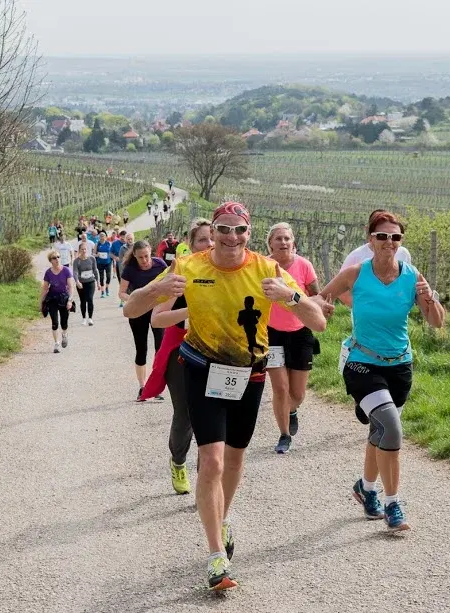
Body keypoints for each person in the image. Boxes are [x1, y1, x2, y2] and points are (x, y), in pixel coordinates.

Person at [122, 202, 326, 591]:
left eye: (240, 230)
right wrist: (158, 288)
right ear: (212, 231)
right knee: (211, 461)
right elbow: (133, 308)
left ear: (250, 233)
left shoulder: (267, 269)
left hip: (249, 374)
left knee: (234, 460)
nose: (232, 237)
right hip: (200, 369)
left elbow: (318, 320)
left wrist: (290, 296)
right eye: (224, 229)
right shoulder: (189, 266)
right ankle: (216, 556)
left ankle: (222, 517)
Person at [319, 210, 445, 531]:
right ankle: (393, 505)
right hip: (362, 362)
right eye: (382, 236)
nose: (389, 242)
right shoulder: (355, 274)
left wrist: (430, 300)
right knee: (391, 427)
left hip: (400, 365)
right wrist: (321, 307)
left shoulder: (412, 276)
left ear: (401, 242)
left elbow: (437, 322)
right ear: (370, 239)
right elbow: (322, 298)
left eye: (395, 237)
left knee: (379, 432)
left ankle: (366, 487)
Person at [142, 218, 213, 496]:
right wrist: (191, 314)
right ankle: (178, 461)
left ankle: (205, 481)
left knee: (211, 417)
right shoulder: (180, 272)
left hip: (217, 351)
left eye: (212, 238)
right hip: (181, 352)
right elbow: (157, 319)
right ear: (191, 244)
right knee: (185, 415)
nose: (208, 244)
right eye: (202, 239)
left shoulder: (230, 271)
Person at [265, 223, 321, 454]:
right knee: (280, 388)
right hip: (271, 334)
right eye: (278, 238)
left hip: (300, 332)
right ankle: (284, 434)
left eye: (287, 238)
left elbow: (317, 296)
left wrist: (314, 307)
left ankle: (291, 410)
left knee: (297, 394)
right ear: (269, 244)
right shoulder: (263, 266)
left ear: (294, 243)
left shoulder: (304, 266)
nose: (283, 242)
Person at [119, 240, 168, 400]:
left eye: (147, 256)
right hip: (138, 312)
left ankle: (156, 387)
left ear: (151, 252)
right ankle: (142, 387)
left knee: (160, 348)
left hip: (157, 312)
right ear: (135, 255)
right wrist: (135, 299)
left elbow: (169, 282)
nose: (145, 260)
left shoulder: (160, 264)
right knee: (141, 349)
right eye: (141, 257)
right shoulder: (130, 269)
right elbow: (122, 293)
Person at [39, 251, 76, 353]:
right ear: (51, 260)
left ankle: (64, 334)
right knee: (55, 322)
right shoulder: (48, 273)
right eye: (54, 258)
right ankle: (56, 344)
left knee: (64, 322)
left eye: (58, 257)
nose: (57, 259)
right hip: (52, 299)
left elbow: (71, 287)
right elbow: (45, 288)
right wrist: (40, 302)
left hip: (64, 298)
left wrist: (70, 300)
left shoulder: (66, 270)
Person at [72, 243, 97, 326]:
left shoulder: (92, 259)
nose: (84, 251)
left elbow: (95, 270)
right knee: (83, 301)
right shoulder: (76, 261)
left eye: (85, 249)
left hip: (91, 282)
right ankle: (83, 318)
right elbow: (75, 272)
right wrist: (77, 281)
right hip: (81, 283)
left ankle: (90, 318)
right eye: (82, 249)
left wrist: (99, 282)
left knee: (90, 299)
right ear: (79, 250)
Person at [94, 230, 112, 297]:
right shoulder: (97, 244)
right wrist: (97, 255)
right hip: (100, 263)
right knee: (101, 277)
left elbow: (111, 252)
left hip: (108, 262)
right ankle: (102, 291)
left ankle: (107, 288)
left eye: (103, 236)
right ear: (99, 237)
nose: (102, 237)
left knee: (108, 277)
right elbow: (93, 253)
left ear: (106, 237)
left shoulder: (109, 243)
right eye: (101, 236)